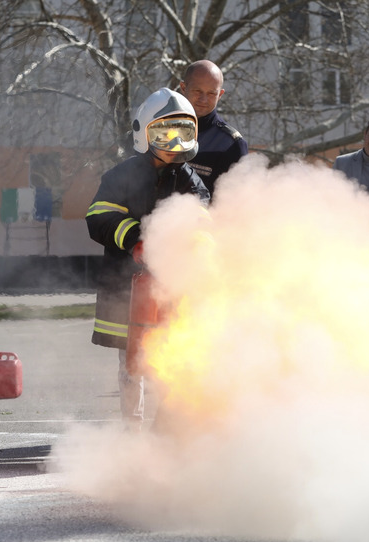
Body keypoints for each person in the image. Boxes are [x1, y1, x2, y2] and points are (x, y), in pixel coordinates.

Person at [85, 88, 210, 432]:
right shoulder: (121, 175)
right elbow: (98, 216)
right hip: (125, 281)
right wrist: (135, 240)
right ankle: (133, 430)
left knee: (172, 356)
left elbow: (201, 222)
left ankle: (167, 428)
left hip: (169, 285)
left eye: (182, 132)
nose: (173, 142)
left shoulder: (189, 179)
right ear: (145, 132)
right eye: (164, 132)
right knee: (131, 361)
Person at [178, 60, 248, 199]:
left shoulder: (231, 144)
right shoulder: (160, 128)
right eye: (197, 91)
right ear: (183, 87)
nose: (203, 100)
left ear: (220, 94)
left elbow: (238, 204)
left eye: (211, 93)